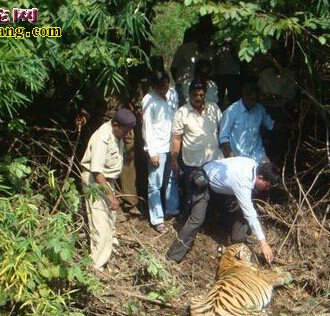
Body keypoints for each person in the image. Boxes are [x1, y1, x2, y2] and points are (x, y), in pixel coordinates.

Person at [166, 157, 278, 264]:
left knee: (243, 207)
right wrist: (263, 243)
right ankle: (172, 256)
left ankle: (238, 240)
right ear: (260, 177)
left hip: (220, 187)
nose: (266, 189)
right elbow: (250, 214)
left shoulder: (253, 163)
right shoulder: (243, 181)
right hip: (203, 182)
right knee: (196, 220)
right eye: (267, 185)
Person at [80, 108, 136, 270]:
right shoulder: (102, 138)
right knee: (100, 222)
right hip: (95, 180)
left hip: (106, 180)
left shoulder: (116, 133)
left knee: (110, 218)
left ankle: (109, 250)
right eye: (126, 130)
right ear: (116, 125)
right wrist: (112, 196)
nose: (128, 134)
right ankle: (96, 265)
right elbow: (97, 172)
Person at [170, 80, 223, 217]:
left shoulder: (213, 109)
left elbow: (222, 129)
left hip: (214, 160)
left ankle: (211, 220)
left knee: (214, 192)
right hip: (192, 163)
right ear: (189, 95)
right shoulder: (182, 113)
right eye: (195, 95)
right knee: (192, 195)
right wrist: (174, 160)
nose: (198, 98)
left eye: (201, 95)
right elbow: (176, 139)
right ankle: (188, 220)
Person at [142, 71, 180, 233]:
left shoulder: (173, 94)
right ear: (153, 86)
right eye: (160, 87)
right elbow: (147, 127)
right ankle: (157, 219)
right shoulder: (149, 100)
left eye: (166, 85)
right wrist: (152, 152)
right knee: (154, 185)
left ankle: (172, 210)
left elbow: (176, 117)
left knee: (171, 180)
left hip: (171, 146)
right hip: (157, 147)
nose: (164, 89)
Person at [218, 82, 275, 163]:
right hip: (238, 157)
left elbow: (271, 125)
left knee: (268, 172)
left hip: (258, 155)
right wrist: (232, 158)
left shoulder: (260, 109)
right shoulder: (231, 111)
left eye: (255, 100)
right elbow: (223, 138)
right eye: (250, 99)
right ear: (244, 95)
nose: (253, 102)